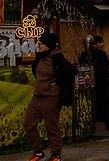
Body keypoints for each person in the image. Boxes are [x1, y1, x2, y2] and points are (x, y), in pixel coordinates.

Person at [25, 31, 75, 161]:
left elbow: (71, 71)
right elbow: (36, 72)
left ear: (48, 45)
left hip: (51, 98)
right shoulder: (40, 57)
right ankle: (38, 152)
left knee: (51, 126)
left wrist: (55, 84)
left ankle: (56, 154)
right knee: (29, 123)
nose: (38, 45)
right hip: (37, 96)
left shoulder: (57, 58)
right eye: (38, 43)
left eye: (41, 43)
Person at [78, 35, 109, 133]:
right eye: (100, 42)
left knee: (97, 103)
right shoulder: (98, 55)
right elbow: (103, 69)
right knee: (104, 103)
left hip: (95, 83)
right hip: (99, 83)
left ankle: (91, 124)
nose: (102, 44)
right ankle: (107, 123)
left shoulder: (86, 55)